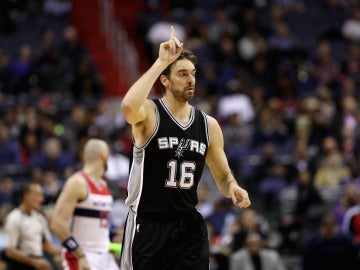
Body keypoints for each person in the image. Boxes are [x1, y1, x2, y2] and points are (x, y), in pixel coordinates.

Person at [119, 26, 251, 270]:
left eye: (192, 73)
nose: (191, 79)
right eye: (182, 74)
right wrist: (161, 62)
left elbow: (222, 177)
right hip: (149, 222)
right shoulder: (150, 113)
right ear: (165, 80)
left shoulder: (208, 125)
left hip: (188, 224)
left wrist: (232, 186)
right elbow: (128, 107)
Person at [50, 138, 119, 270]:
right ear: (103, 156)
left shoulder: (103, 184)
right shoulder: (77, 182)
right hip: (82, 254)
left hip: (104, 255)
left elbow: (101, 223)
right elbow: (57, 223)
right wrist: (79, 254)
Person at [4, 182, 62, 270]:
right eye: (37, 194)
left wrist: (68, 251)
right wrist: (34, 262)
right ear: (26, 195)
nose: (41, 199)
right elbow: (10, 251)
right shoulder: (14, 218)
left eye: (42, 195)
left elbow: (47, 246)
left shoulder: (39, 218)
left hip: (39, 260)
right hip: (21, 264)